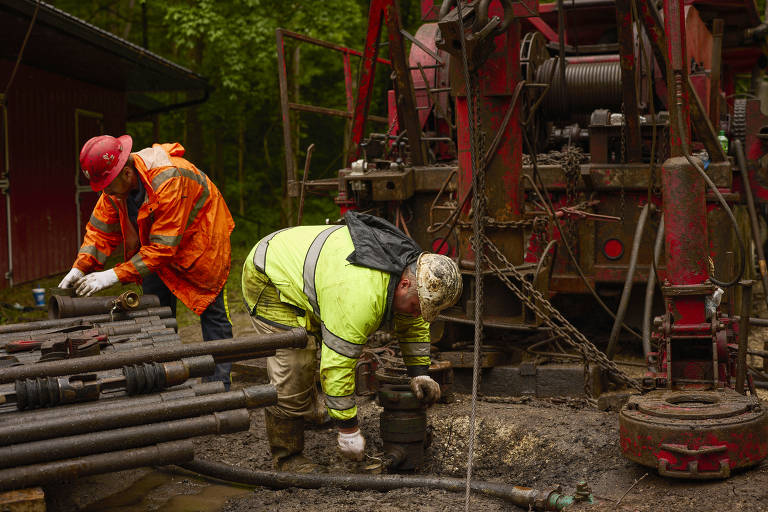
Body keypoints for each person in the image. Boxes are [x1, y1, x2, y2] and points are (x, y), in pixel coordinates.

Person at [241, 211, 462, 471]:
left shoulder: (410, 268)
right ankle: (287, 457)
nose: (417, 313)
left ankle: (308, 411)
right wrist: (348, 430)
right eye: (417, 306)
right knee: (295, 363)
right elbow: (337, 365)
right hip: (268, 275)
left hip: (302, 264)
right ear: (404, 284)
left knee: (315, 345)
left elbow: (414, 324)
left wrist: (420, 373)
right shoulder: (359, 296)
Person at [58, 134, 235, 387]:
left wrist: (112, 275)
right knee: (156, 311)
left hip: (202, 242)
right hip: (157, 245)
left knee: (212, 311)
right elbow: (99, 231)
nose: (105, 192)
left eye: (107, 185)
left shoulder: (169, 179)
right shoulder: (115, 186)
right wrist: (80, 267)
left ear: (127, 173)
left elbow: (164, 248)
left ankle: (219, 386)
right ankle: (169, 377)